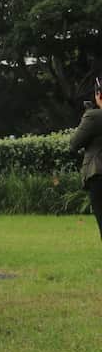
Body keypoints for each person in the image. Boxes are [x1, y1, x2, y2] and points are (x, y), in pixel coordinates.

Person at [69, 81, 102, 241]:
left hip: (98, 174)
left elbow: (74, 144)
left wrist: (87, 115)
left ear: (98, 95)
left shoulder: (93, 116)